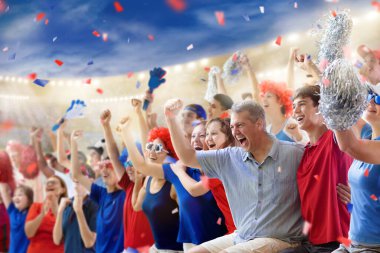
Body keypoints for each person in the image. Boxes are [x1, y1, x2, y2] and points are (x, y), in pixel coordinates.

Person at [164, 98, 304, 252]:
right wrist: (171, 118)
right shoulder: (230, 157)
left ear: (259, 124)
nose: (235, 132)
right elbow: (187, 157)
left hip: (282, 239)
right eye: (232, 126)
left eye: (240, 125)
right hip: (242, 236)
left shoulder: (295, 153)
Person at [117, 116, 227, 252]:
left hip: (219, 241)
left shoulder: (218, 169)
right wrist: (126, 134)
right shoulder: (174, 170)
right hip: (188, 244)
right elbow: (141, 165)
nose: (196, 140)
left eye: (203, 135)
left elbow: (195, 190)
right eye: (192, 136)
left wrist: (180, 171)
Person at [280, 85, 352, 253]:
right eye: (294, 106)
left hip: (338, 241)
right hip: (311, 241)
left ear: (321, 108)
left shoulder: (334, 140)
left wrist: (314, 68)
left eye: (302, 104)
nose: (295, 110)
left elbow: (338, 103)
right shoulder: (304, 151)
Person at [331, 88, 380, 253]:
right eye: (370, 95)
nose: (372, 101)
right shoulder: (367, 134)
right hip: (352, 243)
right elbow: (339, 92)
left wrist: (332, 105)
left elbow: (348, 145)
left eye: (379, 98)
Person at [172, 119, 236, 234]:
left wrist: (179, 171)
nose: (208, 138)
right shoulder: (219, 160)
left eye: (214, 133)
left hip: (241, 231)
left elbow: (195, 190)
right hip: (232, 229)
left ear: (229, 137)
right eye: (207, 134)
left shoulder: (223, 163)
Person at [70, 130, 125, 253]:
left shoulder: (125, 194)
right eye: (102, 167)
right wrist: (73, 143)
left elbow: (116, 157)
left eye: (109, 167)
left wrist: (106, 127)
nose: (104, 170)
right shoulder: (101, 194)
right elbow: (77, 175)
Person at [239, 55, 307, 144]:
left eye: (269, 96)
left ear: (280, 102)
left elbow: (308, 148)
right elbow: (256, 93)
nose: (264, 99)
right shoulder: (267, 130)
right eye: (263, 96)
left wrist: (298, 136)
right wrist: (248, 68)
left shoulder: (292, 124)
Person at [24, 175, 68, 253]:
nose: (49, 185)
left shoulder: (67, 209)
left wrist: (56, 209)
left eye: (53, 183)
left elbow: (66, 236)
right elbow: (29, 233)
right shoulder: (36, 206)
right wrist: (41, 215)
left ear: (62, 190)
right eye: (47, 183)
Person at [53, 182, 98, 253]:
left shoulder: (95, 205)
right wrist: (60, 211)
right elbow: (57, 240)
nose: (76, 181)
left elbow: (89, 242)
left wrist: (79, 211)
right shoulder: (67, 204)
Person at [0, 182, 33, 253]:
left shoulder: (31, 213)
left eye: (20, 195)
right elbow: (3, 191)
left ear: (29, 200)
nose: (16, 197)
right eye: (14, 195)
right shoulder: (12, 211)